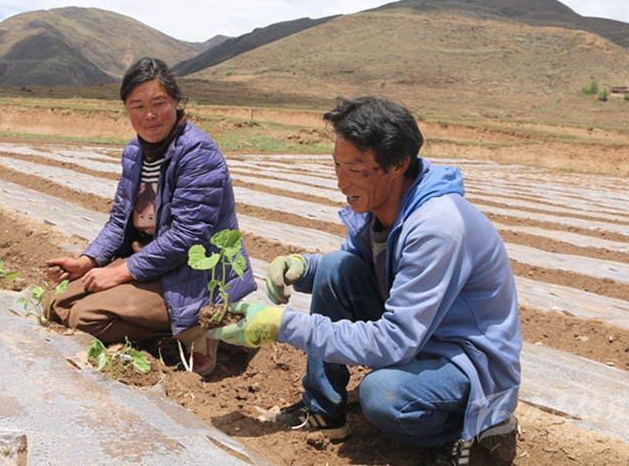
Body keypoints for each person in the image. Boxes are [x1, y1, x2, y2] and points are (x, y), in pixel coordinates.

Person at [210, 96, 522, 465]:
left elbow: (396, 341)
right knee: (335, 267)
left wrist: (283, 325)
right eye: (337, 165)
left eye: (356, 169)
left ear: (397, 165)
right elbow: (354, 265)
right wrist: (303, 267)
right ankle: (323, 410)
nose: (342, 182)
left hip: (466, 361)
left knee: (383, 394)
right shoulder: (384, 206)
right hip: (424, 338)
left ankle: (475, 431)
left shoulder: (437, 227)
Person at [44, 56, 255, 376]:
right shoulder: (134, 153)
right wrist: (87, 261)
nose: (149, 115)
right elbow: (120, 220)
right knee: (56, 303)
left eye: (159, 103)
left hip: (191, 274)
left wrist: (121, 272)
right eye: (138, 105)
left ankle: (197, 330)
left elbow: (188, 236)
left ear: (175, 102)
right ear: (126, 109)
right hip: (151, 262)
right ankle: (160, 325)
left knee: (84, 317)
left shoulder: (197, 153)